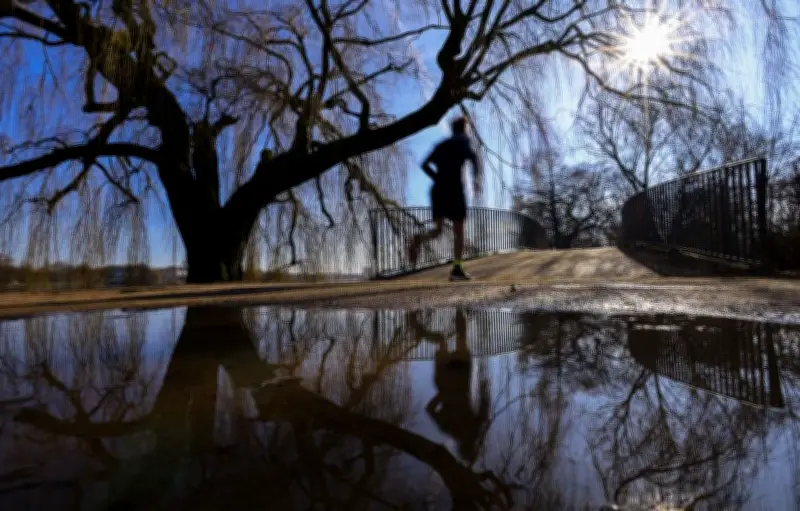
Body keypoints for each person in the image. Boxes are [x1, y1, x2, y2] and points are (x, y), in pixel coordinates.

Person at [408, 117, 482, 281]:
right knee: (459, 231)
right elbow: (474, 159)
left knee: (438, 231)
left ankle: (418, 238)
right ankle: (457, 268)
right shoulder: (463, 141)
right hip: (455, 190)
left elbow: (424, 164)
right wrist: (476, 179)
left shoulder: (441, 145)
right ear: (464, 129)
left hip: (438, 190)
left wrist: (437, 178)